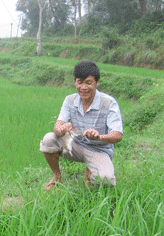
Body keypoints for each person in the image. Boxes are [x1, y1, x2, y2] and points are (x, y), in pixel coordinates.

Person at [39, 60, 123, 191]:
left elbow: (117, 135)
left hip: (98, 149)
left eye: (88, 82)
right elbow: (58, 125)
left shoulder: (109, 103)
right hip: (75, 145)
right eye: (80, 82)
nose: (84, 87)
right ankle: (57, 176)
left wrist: (99, 137)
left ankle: (91, 168)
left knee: (105, 180)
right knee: (48, 139)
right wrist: (61, 129)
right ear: (75, 81)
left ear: (97, 82)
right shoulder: (70, 100)